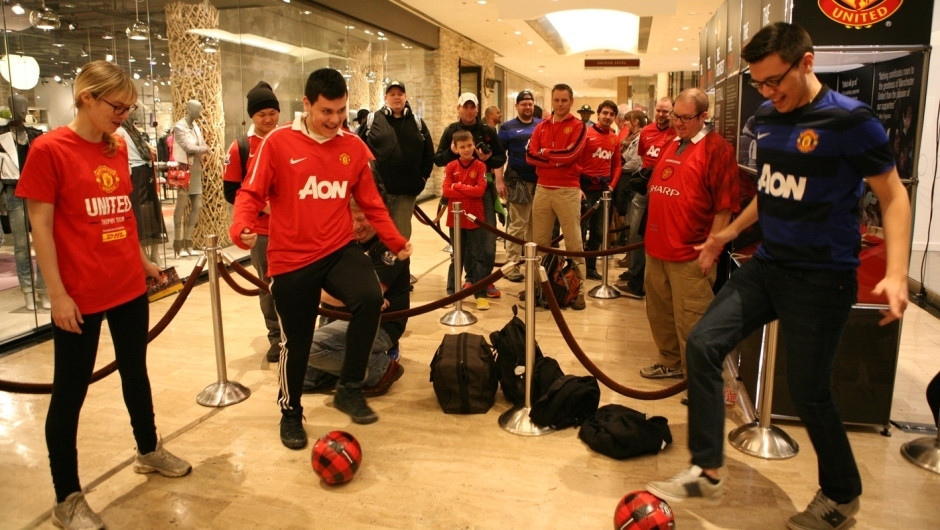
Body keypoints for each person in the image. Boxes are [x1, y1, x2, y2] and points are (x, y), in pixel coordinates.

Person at [647, 23, 912, 530]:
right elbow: (770, 193)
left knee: (811, 393)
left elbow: (893, 195)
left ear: (806, 63)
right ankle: (707, 468)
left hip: (822, 276)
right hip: (769, 264)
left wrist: (897, 273)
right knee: (702, 344)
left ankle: (841, 496)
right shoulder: (767, 118)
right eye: (759, 84)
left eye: (775, 81)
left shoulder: (851, 121)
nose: (768, 93)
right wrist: (727, 235)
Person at [16, 60, 191, 530]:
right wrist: (57, 295)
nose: (123, 115)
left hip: (125, 285)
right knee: (69, 393)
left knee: (136, 371)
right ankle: (67, 497)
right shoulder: (49, 150)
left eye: (129, 108)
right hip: (79, 293)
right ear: (86, 97)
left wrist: (141, 261)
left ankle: (148, 449)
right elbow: (42, 228)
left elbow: (121, 215)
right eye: (117, 106)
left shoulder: (115, 148)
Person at [230, 68, 411, 447]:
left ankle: (349, 386)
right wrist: (241, 227)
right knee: (295, 342)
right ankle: (290, 411)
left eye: (341, 111)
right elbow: (250, 192)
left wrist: (394, 240)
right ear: (307, 105)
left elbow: (371, 203)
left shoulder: (351, 146)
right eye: (326, 111)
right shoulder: (277, 143)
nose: (334, 120)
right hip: (291, 259)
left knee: (367, 297)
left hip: (336, 248)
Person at [637, 88, 739, 383]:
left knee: (692, 319)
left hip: (690, 254)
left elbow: (725, 207)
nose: (677, 122)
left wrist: (712, 249)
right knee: (660, 314)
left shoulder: (717, 149)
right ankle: (669, 362)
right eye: (674, 116)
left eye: (685, 118)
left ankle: (699, 379)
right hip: (657, 249)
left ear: (704, 116)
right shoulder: (672, 142)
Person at [304, 200, 408, 396]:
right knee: (300, 374)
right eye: (350, 220)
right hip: (337, 318)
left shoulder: (390, 246)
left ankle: (380, 368)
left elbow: (368, 295)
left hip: (380, 325)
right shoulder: (338, 241)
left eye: (361, 219)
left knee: (309, 348)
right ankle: (350, 366)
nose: (356, 227)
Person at [223, 81, 282, 363]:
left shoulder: (288, 141)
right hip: (262, 232)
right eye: (262, 115)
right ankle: (276, 337)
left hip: (293, 230)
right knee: (267, 286)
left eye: (273, 112)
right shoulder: (241, 148)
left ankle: (298, 333)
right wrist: (263, 207)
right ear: (252, 117)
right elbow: (231, 191)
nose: (268, 119)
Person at [433, 92, 506, 299]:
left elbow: (500, 158)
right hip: (457, 196)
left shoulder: (487, 131)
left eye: (472, 106)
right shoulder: (451, 131)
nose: (469, 110)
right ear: (459, 108)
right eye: (465, 107)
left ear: (477, 109)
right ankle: (471, 281)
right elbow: (438, 159)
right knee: (463, 242)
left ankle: (483, 280)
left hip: (483, 190)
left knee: (488, 241)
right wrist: (453, 152)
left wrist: (488, 157)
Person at [525, 83, 588, 310]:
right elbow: (531, 157)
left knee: (573, 242)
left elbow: (571, 155)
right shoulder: (541, 127)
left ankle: (578, 290)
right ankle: (538, 287)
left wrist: (546, 153)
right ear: (552, 101)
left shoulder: (579, 126)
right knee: (538, 242)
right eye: (556, 100)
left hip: (568, 190)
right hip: (542, 189)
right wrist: (555, 158)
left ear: (571, 102)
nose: (560, 104)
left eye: (564, 100)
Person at [616, 97, 676, 299]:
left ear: (672, 112)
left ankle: (659, 285)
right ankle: (635, 279)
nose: (661, 114)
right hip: (644, 190)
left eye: (666, 111)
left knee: (662, 235)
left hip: (668, 192)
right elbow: (642, 158)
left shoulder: (677, 133)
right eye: (659, 110)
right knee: (635, 234)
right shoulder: (647, 132)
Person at [359, 80, 435, 240]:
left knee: (401, 237)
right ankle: (378, 265)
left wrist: (423, 178)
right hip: (377, 193)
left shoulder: (417, 123)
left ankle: (400, 265)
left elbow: (429, 153)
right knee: (376, 237)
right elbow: (357, 150)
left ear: (406, 97)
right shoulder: (373, 121)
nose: (396, 97)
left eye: (400, 94)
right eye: (392, 94)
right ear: (386, 97)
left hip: (406, 193)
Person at [0, 93, 48, 311]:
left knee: (43, 240)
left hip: (36, 191)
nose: (22, 109)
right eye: (17, 105)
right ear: (10, 107)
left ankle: (43, 289)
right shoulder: (1, 136)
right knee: (21, 245)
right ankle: (27, 290)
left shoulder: (35, 135)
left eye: (24, 105)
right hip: (13, 191)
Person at [442, 130, 490, 310]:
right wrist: (466, 189)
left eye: (469, 145)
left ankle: (480, 294)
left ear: (474, 145)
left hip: (475, 218)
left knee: (478, 257)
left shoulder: (480, 167)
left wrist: (459, 186)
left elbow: (480, 191)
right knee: (457, 256)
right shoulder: (451, 167)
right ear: (455, 148)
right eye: (462, 147)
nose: (467, 150)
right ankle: (451, 292)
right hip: (455, 220)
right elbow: (446, 191)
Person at [498, 90, 541, 282]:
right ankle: (511, 267)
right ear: (517, 106)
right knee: (517, 225)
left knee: (536, 226)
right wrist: (499, 181)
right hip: (517, 181)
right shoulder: (507, 127)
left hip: (541, 182)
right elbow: (499, 157)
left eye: (530, 104)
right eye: (524, 104)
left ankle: (533, 265)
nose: (527, 107)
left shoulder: (541, 125)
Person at [578, 99, 622, 280]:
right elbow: (576, 160)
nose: (608, 117)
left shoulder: (614, 137)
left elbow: (617, 165)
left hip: (603, 191)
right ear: (598, 114)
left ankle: (590, 268)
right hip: (584, 189)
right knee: (579, 230)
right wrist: (576, 186)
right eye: (605, 113)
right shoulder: (586, 133)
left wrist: (612, 185)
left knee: (598, 231)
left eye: (612, 114)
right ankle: (576, 268)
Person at [116, 108, 166, 264]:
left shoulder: (133, 130)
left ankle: (154, 253)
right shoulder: (119, 130)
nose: (130, 112)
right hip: (134, 172)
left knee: (152, 210)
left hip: (145, 169)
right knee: (138, 211)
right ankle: (144, 255)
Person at [171, 99, 209, 258]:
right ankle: (178, 244)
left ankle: (188, 242)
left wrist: (201, 148)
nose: (200, 113)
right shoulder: (179, 127)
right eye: (198, 109)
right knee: (180, 208)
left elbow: (199, 145)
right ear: (191, 110)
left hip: (196, 170)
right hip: (184, 170)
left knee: (197, 205)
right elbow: (189, 147)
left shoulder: (195, 127)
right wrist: (204, 149)